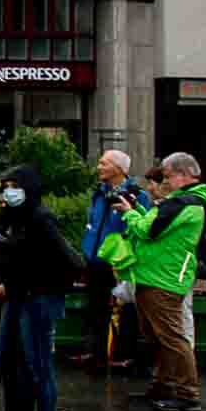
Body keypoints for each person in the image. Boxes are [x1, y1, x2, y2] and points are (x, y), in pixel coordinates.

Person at [0, 163, 79, 411]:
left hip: (40, 298)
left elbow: (70, 260)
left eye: (14, 186)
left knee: (38, 364)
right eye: (6, 187)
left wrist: (46, 283)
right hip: (16, 296)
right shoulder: (7, 218)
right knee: (5, 357)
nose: (9, 192)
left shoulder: (41, 219)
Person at [116, 152, 206, 411]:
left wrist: (129, 214)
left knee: (171, 338)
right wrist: (139, 212)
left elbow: (148, 230)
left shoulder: (184, 202)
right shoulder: (184, 202)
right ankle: (163, 386)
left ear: (183, 175)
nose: (165, 182)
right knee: (160, 337)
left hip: (163, 279)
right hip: (158, 276)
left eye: (168, 176)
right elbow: (154, 226)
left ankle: (186, 394)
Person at [71, 150, 150, 371]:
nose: (98, 167)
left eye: (103, 163)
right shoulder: (99, 193)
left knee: (121, 309)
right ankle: (94, 352)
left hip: (119, 263)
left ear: (119, 168)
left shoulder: (136, 195)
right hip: (95, 260)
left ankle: (123, 354)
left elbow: (142, 226)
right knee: (94, 307)